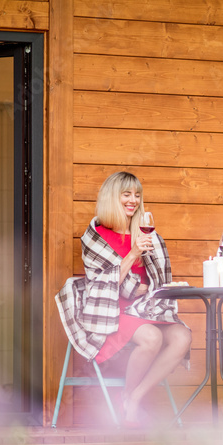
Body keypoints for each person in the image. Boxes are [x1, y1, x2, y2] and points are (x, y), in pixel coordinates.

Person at [56, 171, 191, 427]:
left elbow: (156, 277)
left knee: (183, 337)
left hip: (144, 308)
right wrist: (133, 254)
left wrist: (149, 287)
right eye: (126, 195)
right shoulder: (95, 238)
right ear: (112, 198)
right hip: (109, 310)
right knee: (151, 337)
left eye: (137, 195)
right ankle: (129, 398)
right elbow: (101, 285)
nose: (133, 200)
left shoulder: (146, 234)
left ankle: (132, 396)